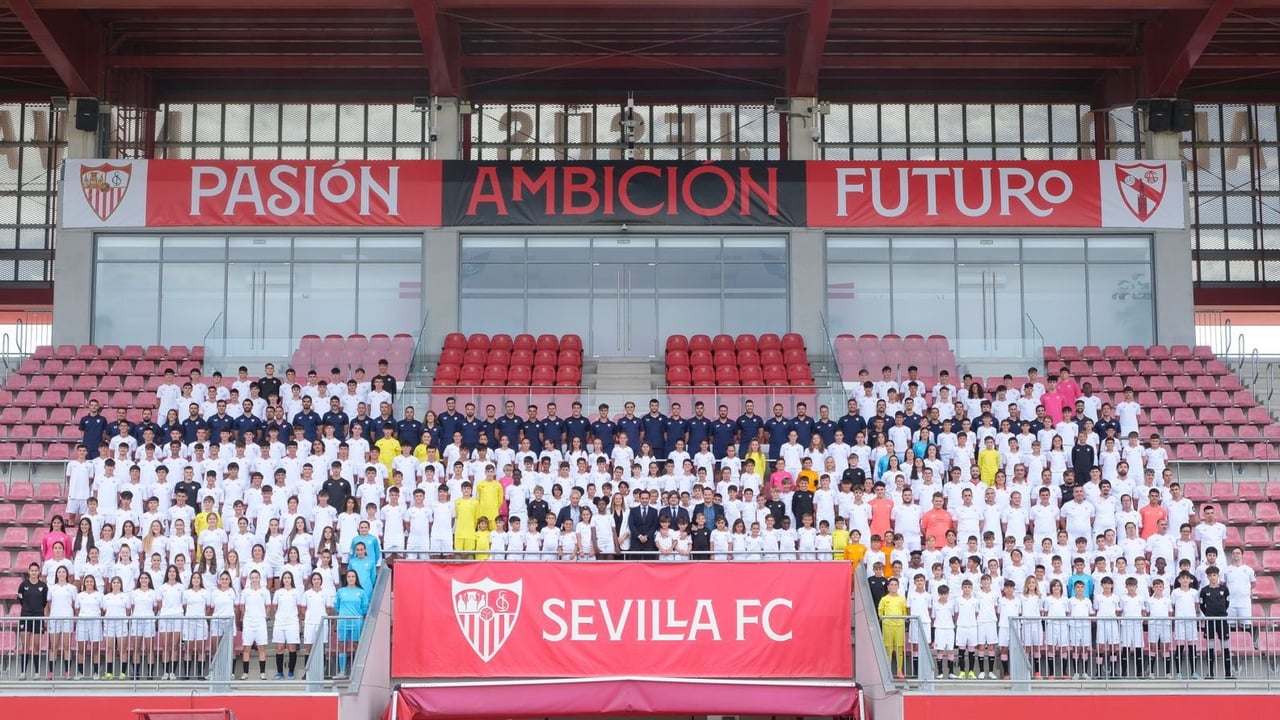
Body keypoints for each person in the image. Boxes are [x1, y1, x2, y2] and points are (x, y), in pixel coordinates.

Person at [1199, 565, 1234, 679]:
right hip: (1210, 620)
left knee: (1225, 646)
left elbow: (1227, 603)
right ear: (1207, 577)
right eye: (1210, 576)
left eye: (1214, 575)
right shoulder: (1204, 590)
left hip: (1222, 620)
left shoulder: (1224, 589)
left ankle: (1228, 673)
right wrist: (1209, 614)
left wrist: (1221, 613)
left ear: (1218, 576)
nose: (1212, 577)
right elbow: (1202, 606)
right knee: (1210, 646)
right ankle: (1210, 673)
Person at [16, 562, 49, 679]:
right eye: (32, 570)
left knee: (36, 646)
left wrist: (37, 610)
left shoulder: (43, 586)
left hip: (38, 618)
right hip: (25, 618)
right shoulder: (23, 585)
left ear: (39, 572)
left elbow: (44, 602)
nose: (34, 572)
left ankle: (36, 672)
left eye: (36, 570)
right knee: (25, 645)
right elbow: (21, 600)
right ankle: (23, 672)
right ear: (29, 571)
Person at [239, 569, 273, 680]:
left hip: (260, 623)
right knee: (246, 648)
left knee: (261, 648)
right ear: (250, 579)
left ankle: (262, 673)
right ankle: (245, 673)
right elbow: (242, 607)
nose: (254, 579)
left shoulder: (265, 591)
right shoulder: (245, 592)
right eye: (252, 577)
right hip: (248, 623)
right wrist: (246, 617)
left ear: (259, 578)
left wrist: (264, 616)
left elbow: (268, 606)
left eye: (256, 577)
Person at [335, 570, 369, 678]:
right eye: (349, 576)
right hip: (343, 622)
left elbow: (365, 608)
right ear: (346, 578)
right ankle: (342, 671)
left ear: (356, 578)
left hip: (357, 622)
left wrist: (358, 615)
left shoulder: (361, 592)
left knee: (356, 645)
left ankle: (357, 671)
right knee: (342, 645)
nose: (351, 578)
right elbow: (337, 606)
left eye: (353, 576)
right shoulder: (340, 591)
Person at [272, 570, 302, 679]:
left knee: (292, 648)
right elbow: (275, 607)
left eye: (288, 578)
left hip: (292, 623)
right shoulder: (278, 592)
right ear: (282, 580)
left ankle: (291, 673)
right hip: (280, 623)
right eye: (285, 578)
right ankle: (280, 673)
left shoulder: (296, 592)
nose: (287, 580)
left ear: (291, 579)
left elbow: (299, 608)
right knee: (279, 648)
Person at [878, 577, 908, 679]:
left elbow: (904, 612)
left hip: (899, 626)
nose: (893, 587)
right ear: (888, 587)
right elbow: (880, 612)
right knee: (888, 649)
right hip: (888, 627)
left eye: (895, 585)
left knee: (899, 649)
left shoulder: (902, 599)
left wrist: (901, 621)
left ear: (898, 586)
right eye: (891, 585)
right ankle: (887, 671)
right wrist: (885, 621)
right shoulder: (884, 599)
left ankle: (899, 671)